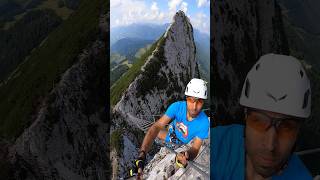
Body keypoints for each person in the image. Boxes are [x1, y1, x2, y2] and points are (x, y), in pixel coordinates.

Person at [211, 54, 313, 180]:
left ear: (298, 131)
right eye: (259, 122)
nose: (270, 145)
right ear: (245, 116)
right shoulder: (214, 145)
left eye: (286, 127)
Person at [132, 78, 210, 178]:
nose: (194, 107)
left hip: (180, 142)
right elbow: (155, 127)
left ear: (203, 102)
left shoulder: (204, 123)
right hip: (170, 132)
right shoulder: (177, 107)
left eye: (199, 102)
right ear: (186, 98)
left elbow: (195, 148)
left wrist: (186, 154)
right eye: (191, 100)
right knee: (152, 131)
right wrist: (142, 155)